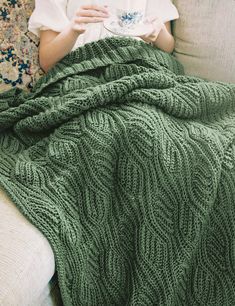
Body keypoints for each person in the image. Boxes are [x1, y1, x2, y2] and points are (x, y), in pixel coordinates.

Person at [28, 0, 179, 73]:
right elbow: (47, 62)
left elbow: (168, 47)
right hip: (82, 71)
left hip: (140, 67)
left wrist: (156, 33)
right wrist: (72, 30)